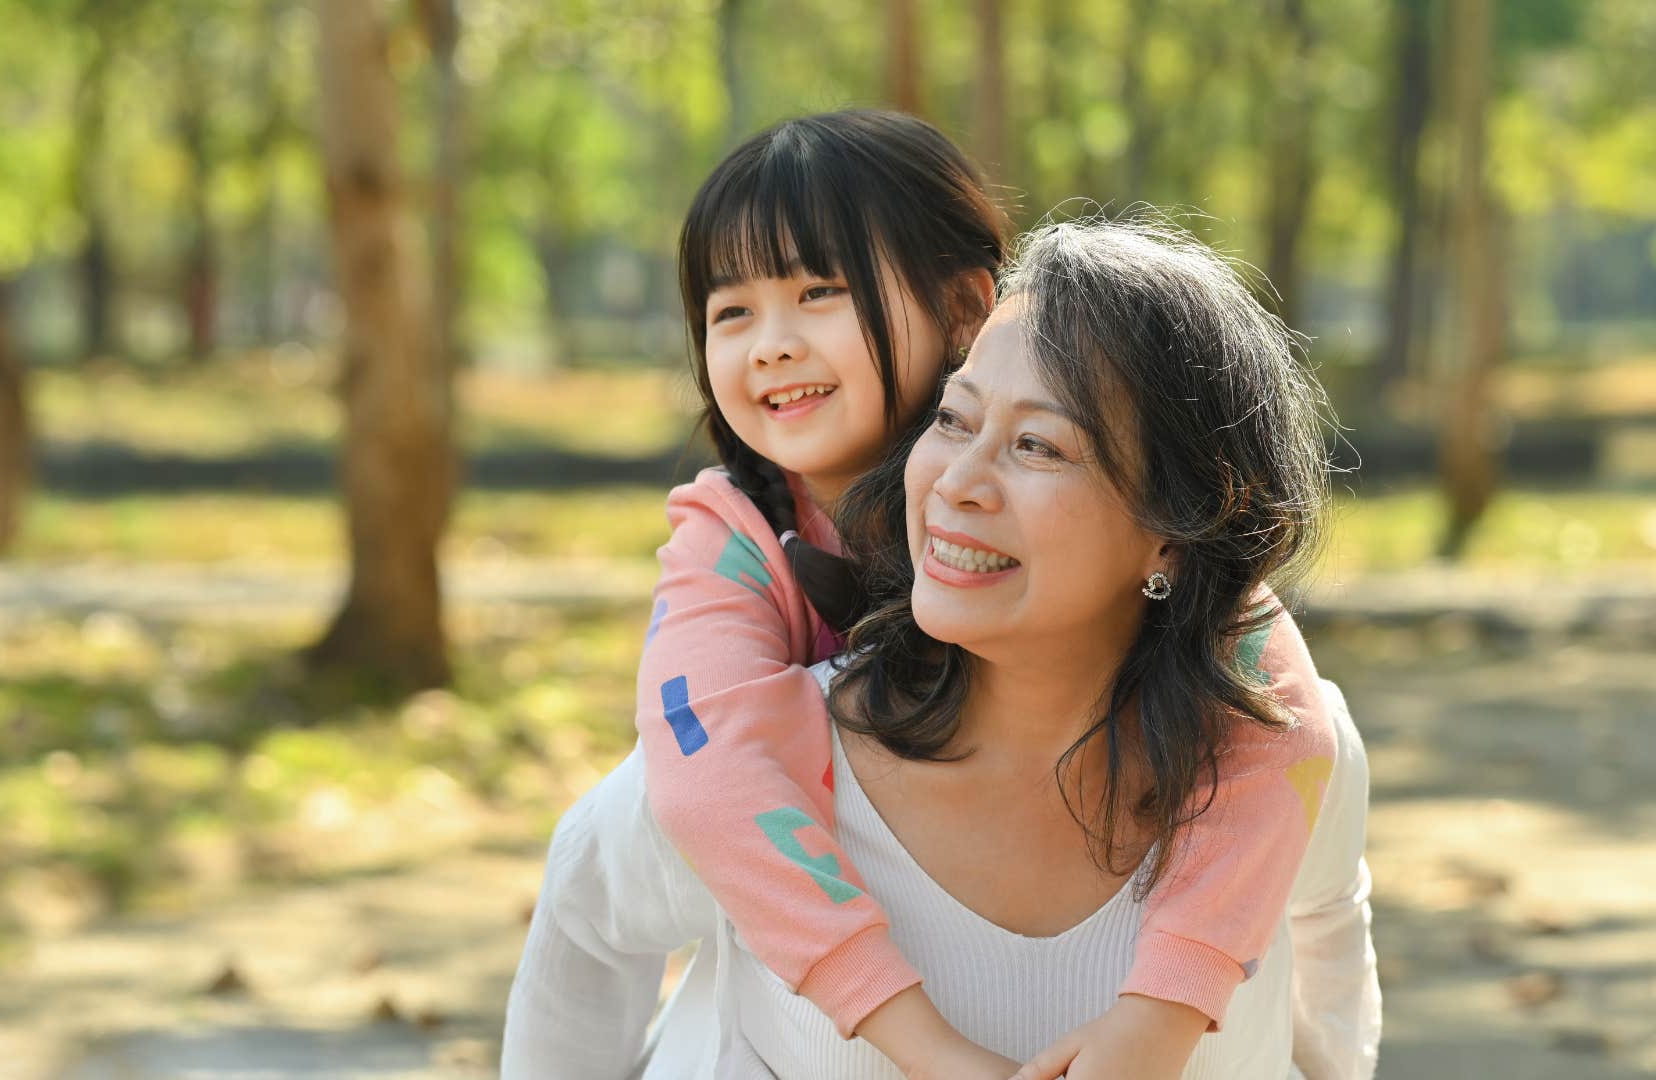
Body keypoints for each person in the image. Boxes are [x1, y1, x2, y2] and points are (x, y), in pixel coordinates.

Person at [501, 218, 1380, 1078]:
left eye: (1038, 445)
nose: (956, 484)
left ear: (1175, 536)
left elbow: (1329, 922)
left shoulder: (1284, 754)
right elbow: (584, 913)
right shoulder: (762, 761)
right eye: (954, 421)